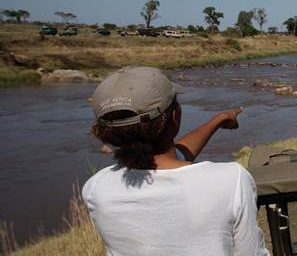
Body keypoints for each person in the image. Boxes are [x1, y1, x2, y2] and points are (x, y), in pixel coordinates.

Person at [82, 66, 269, 256]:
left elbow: (166, 163)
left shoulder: (96, 189)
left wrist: (218, 120)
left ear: (105, 132)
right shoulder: (232, 180)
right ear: (175, 117)